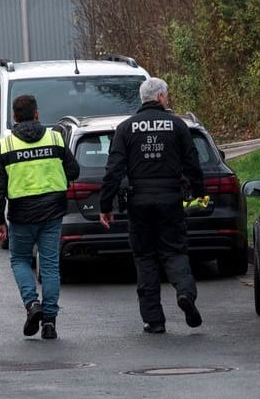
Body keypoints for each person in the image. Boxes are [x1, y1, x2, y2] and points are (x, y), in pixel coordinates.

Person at [99, 77, 205, 334]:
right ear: (160, 97)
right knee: (175, 252)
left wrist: (106, 205)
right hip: (170, 199)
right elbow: (192, 163)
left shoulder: (126, 128)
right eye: (166, 96)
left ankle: (153, 320)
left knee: (145, 257)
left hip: (139, 202)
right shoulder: (177, 125)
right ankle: (185, 294)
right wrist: (199, 192)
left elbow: (113, 170)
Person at [0, 94, 80, 340]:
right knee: (50, 265)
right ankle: (49, 322)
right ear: (37, 114)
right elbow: (74, 170)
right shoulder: (55, 138)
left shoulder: (6, 145)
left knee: (19, 260)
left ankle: (32, 305)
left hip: (21, 216)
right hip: (52, 213)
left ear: (15, 117)